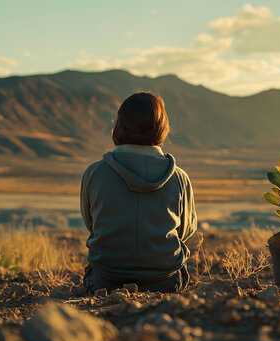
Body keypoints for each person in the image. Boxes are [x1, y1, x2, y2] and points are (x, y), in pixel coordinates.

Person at [80, 91, 197, 293]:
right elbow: (185, 230)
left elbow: (91, 223)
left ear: (119, 126)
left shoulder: (94, 172)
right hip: (165, 281)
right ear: (162, 127)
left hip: (106, 281)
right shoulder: (179, 177)